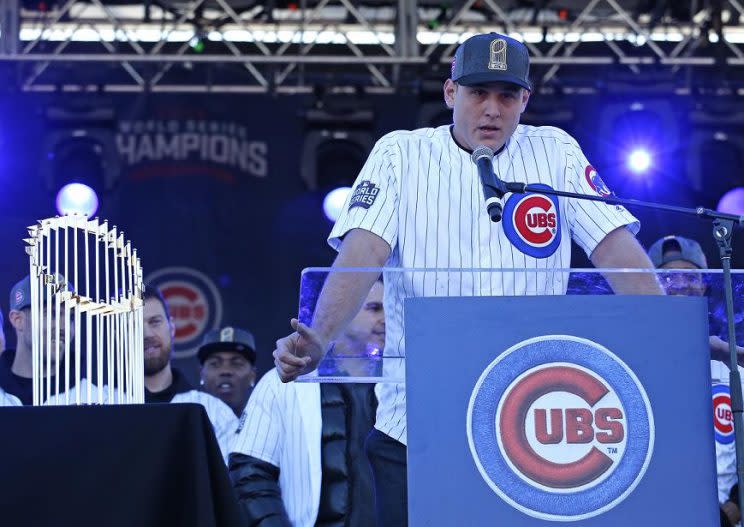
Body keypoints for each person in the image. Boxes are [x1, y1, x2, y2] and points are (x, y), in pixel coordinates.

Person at [273, 32, 662, 526]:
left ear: (526, 98)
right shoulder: (400, 153)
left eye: (506, 95)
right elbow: (362, 253)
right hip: (417, 423)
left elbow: (614, 247)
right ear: (450, 93)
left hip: (533, 426)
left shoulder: (555, 152)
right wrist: (321, 335)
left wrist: (670, 330)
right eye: (479, 93)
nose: (492, 110)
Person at [230, 280, 384, 527]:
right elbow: (249, 475)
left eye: (389, 308)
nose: (385, 318)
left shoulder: (406, 384)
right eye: (375, 308)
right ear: (341, 310)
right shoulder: (281, 383)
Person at [648, 235, 741, 527]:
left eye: (690, 275)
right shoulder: (632, 364)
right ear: (647, 287)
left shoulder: (733, 371)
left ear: (703, 287)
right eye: (667, 277)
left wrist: (733, 508)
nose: (679, 283)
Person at [142, 286, 238, 462]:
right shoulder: (103, 403)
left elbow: (227, 486)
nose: (146, 333)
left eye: (155, 322)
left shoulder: (215, 413)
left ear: (171, 328)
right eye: (133, 324)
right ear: (118, 334)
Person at [0, 276, 72, 405]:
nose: (65, 327)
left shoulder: (97, 397)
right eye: (52, 314)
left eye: (71, 317)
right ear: (18, 320)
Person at [198, 326, 257, 418]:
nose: (225, 371)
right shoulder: (186, 421)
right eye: (214, 364)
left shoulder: (270, 421)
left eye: (237, 363)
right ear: (201, 374)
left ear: (252, 375)